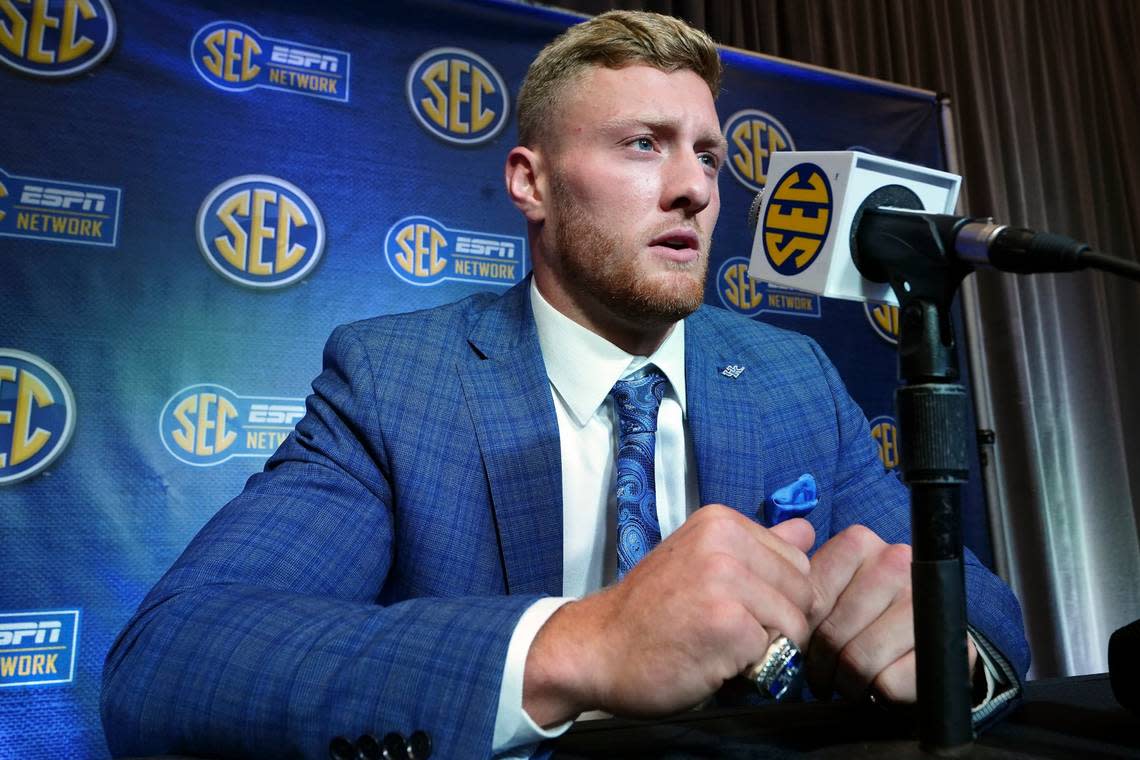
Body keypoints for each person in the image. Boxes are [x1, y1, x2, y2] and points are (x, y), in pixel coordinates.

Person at [101, 10, 1029, 759]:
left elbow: (988, 617)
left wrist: (936, 640)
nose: (696, 191)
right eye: (642, 145)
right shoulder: (395, 383)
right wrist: (583, 644)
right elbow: (173, 662)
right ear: (530, 184)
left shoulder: (791, 375)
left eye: (707, 155)